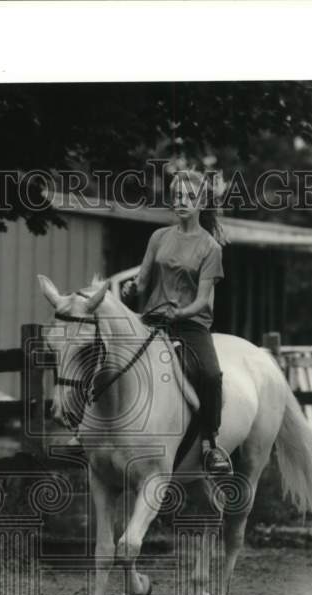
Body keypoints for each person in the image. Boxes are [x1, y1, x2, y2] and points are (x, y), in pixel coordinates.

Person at [121, 168, 234, 476]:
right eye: (178, 196)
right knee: (109, 358)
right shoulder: (158, 237)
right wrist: (130, 288)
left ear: (201, 203)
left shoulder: (211, 248)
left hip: (190, 325)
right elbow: (143, 281)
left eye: (189, 197)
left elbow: (202, 300)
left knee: (210, 376)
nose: (182, 202)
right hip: (153, 321)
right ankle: (91, 430)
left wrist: (181, 313)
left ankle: (211, 444)